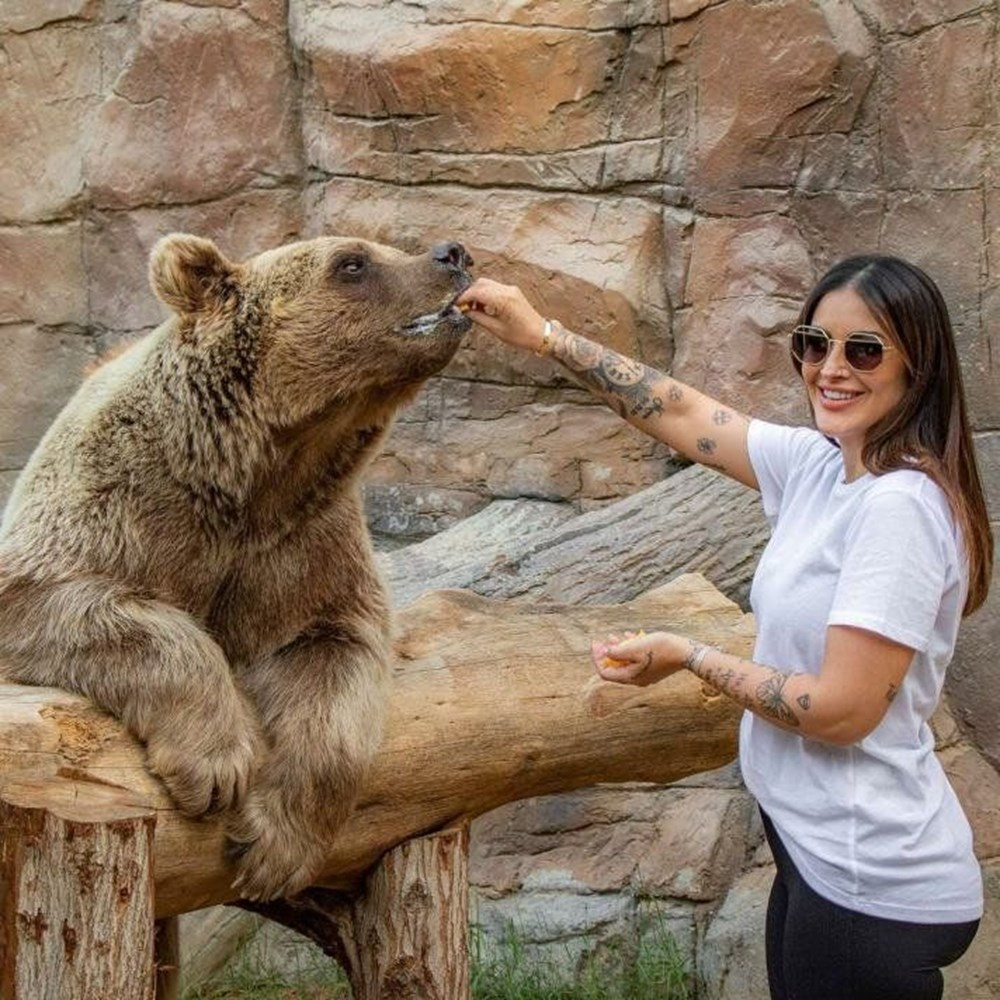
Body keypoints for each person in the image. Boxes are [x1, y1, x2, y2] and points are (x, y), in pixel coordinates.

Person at [456, 254, 992, 1000]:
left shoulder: (897, 508)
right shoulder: (823, 466)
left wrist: (693, 657)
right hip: (822, 859)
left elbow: (840, 711)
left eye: (863, 350)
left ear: (917, 366)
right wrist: (542, 334)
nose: (831, 368)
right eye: (814, 343)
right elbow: (677, 411)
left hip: (871, 885)